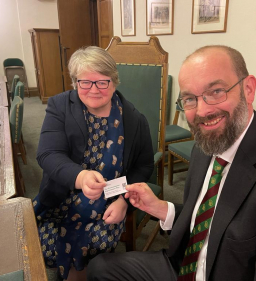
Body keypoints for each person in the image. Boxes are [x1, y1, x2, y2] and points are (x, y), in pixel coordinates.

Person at [86, 45, 256, 280]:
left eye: (216, 92)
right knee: (100, 268)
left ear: (248, 89)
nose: (202, 111)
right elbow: (215, 219)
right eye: (190, 99)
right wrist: (162, 208)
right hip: (185, 265)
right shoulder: (205, 146)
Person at [32, 46, 154, 281]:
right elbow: (48, 154)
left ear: (114, 82)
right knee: (46, 241)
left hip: (111, 197)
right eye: (85, 82)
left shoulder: (135, 120)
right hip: (61, 194)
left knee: (96, 242)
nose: (94, 90)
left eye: (102, 82)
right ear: (75, 82)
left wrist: (124, 201)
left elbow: (144, 166)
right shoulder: (60, 106)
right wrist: (81, 177)